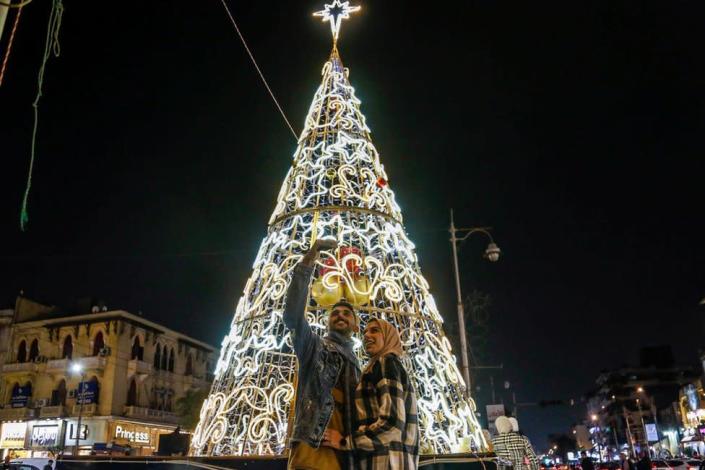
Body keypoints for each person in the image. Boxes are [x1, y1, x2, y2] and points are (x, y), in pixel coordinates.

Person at [284, 239, 361, 470]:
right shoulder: (314, 346)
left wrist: (348, 442)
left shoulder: (358, 364)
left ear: (355, 325)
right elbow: (293, 317)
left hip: (343, 454)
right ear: (327, 321)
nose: (340, 316)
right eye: (335, 313)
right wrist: (310, 258)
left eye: (347, 314)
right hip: (312, 450)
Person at [324, 317, 419, 469]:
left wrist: (344, 441)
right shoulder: (380, 366)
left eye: (374, 331)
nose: (367, 335)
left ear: (388, 337)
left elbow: (392, 424)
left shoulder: (385, 363)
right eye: (365, 332)